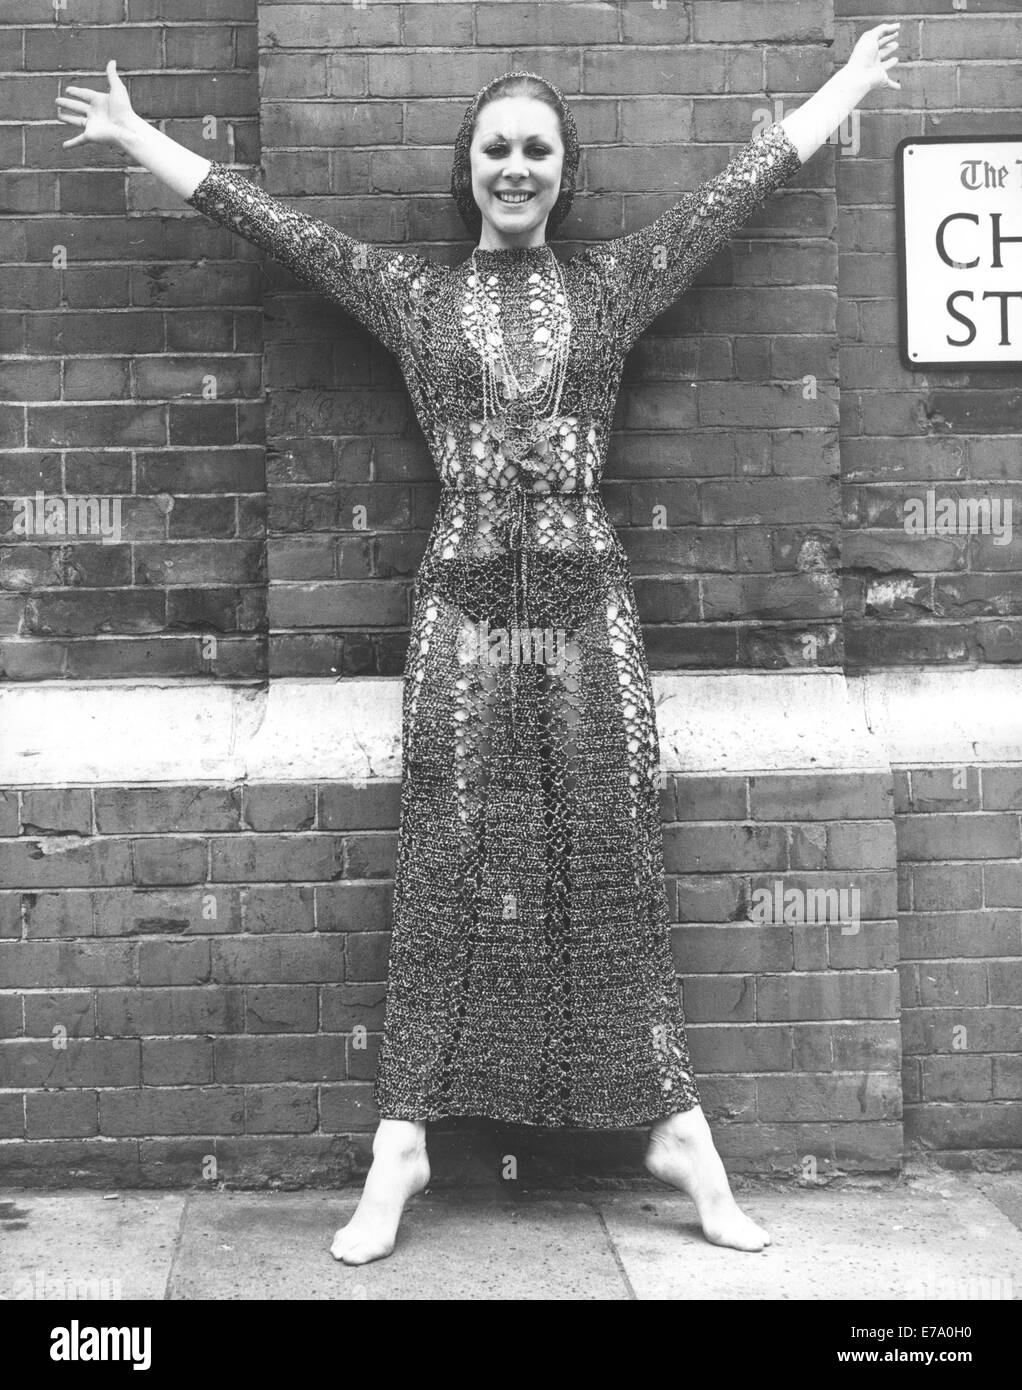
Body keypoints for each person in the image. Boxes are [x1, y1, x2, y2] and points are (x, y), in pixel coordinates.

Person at [56, 23, 901, 1268]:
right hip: (459, 608)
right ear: (469, 167)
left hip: (588, 606)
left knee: (608, 859)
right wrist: (137, 136)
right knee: (452, 860)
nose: (516, 167)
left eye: (537, 151)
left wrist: (844, 84)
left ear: (564, 169)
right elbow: (273, 227)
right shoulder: (411, 291)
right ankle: (402, 1142)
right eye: (497, 149)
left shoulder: (615, 280)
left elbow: (739, 186)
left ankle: (676, 1132)